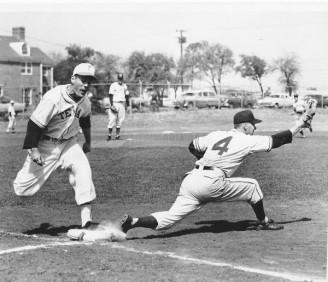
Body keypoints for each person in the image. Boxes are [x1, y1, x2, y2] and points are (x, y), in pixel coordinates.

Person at [119, 109, 314, 234]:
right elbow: (277, 140)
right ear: (245, 126)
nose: (255, 127)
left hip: (191, 179)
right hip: (211, 182)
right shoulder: (247, 139)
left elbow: (192, 145)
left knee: (168, 220)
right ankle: (263, 221)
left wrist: (203, 160)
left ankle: (133, 222)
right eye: (254, 124)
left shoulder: (217, 134)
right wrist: (299, 124)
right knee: (252, 186)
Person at [13, 63, 98, 229]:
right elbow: (35, 124)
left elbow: (85, 121)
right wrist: (34, 148)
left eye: (89, 81)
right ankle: (24, 177)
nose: (86, 84)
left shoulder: (85, 101)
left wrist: (88, 141)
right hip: (45, 144)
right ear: (73, 78)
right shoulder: (53, 97)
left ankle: (86, 220)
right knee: (23, 190)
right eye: (83, 79)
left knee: (83, 170)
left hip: (69, 143)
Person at [106, 73, 130, 141]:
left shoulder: (125, 86)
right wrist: (111, 105)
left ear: (123, 79)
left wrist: (128, 106)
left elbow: (127, 96)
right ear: (117, 79)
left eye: (121, 79)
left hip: (122, 104)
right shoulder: (113, 85)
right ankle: (109, 135)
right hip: (115, 103)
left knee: (120, 120)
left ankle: (117, 135)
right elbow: (110, 95)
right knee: (112, 119)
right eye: (119, 79)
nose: (120, 80)